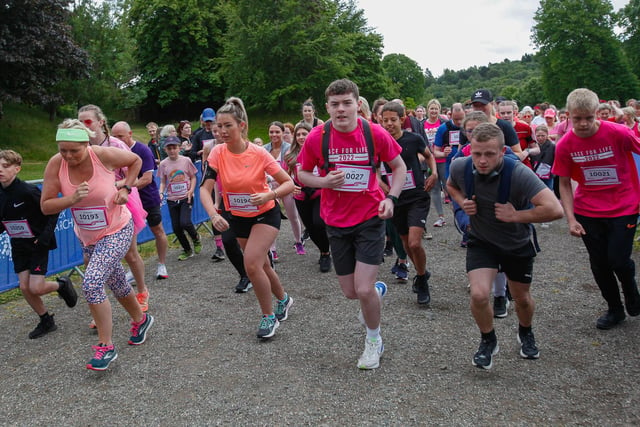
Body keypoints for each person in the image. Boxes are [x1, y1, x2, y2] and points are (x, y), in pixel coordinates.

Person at [298, 79, 407, 370]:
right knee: (350, 292)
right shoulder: (317, 137)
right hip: (335, 222)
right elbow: (302, 174)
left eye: (347, 103)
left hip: (370, 218)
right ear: (327, 107)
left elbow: (399, 167)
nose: (341, 109)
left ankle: (374, 340)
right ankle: (375, 291)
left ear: (358, 104)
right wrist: (323, 182)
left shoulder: (374, 133)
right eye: (335, 104)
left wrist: (392, 198)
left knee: (362, 288)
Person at [447, 122, 564, 370]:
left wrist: (516, 216)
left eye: (489, 154)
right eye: (477, 153)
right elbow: (450, 185)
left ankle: (526, 331)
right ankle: (488, 340)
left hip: (516, 243)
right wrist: (462, 202)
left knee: (521, 299)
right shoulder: (461, 166)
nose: (482, 160)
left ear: (502, 152)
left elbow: (555, 209)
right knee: (479, 294)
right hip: (482, 241)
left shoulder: (519, 173)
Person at [41, 120, 153, 371]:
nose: (68, 156)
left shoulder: (102, 155)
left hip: (117, 228)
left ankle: (106, 346)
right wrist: (70, 199)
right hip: (89, 235)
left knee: (91, 282)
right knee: (116, 282)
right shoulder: (55, 164)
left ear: (86, 144)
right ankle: (141, 319)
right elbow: (46, 205)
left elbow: (135, 160)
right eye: (63, 150)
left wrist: (125, 186)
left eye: (74, 150)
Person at [205, 97, 296, 339]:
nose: (222, 132)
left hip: (266, 214)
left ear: (242, 126)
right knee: (262, 265)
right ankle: (284, 299)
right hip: (238, 217)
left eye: (228, 126)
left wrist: (270, 193)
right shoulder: (217, 153)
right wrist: (214, 214)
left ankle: (268, 317)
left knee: (252, 264)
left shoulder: (259, 154)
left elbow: (289, 183)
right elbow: (204, 189)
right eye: (219, 127)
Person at [552, 88, 640, 330]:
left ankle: (632, 293)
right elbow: (564, 183)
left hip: (624, 205)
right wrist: (570, 219)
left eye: (588, 118)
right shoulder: (565, 145)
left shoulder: (618, 133)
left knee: (619, 259)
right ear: (568, 115)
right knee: (599, 263)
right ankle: (614, 309)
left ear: (597, 114)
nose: (582, 124)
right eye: (576, 118)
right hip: (588, 210)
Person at [78, 104, 149, 314]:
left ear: (101, 122)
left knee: (130, 253)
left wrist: (120, 186)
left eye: (88, 121)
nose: (84, 126)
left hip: (121, 201)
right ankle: (100, 303)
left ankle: (142, 292)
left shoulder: (115, 144)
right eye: (80, 122)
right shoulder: (78, 147)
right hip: (94, 207)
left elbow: (134, 171)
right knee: (91, 258)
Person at [0, 149, 78, 339]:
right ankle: (46, 320)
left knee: (35, 287)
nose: (0, 170)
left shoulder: (28, 191)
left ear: (17, 169)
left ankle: (61, 285)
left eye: (5, 166)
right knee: (25, 287)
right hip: (18, 244)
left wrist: (43, 237)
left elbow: (53, 210)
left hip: (37, 242)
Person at [380, 101, 438, 304]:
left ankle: (422, 279)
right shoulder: (380, 143)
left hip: (417, 197)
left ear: (402, 119)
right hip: (396, 201)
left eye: (393, 120)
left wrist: (434, 173)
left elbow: (429, 157)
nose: (389, 124)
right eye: (385, 120)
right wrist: (383, 187)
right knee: (405, 244)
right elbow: (373, 170)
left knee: (414, 242)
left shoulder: (413, 139)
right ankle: (422, 271)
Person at [111, 121, 169, 281]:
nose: (117, 140)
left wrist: (124, 185)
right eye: (114, 136)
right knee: (129, 236)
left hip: (147, 197)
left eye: (120, 136)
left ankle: (161, 263)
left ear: (130, 134)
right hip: (125, 200)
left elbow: (147, 178)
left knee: (157, 230)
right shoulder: (111, 151)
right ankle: (133, 269)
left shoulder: (142, 150)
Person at [284, 122, 332, 272]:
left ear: (311, 134)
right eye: (298, 134)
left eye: (304, 133)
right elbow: (285, 177)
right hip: (301, 196)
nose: (301, 137)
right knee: (310, 229)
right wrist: (292, 186)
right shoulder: (291, 156)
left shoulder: (320, 151)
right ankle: (323, 250)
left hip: (319, 193)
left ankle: (326, 253)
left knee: (318, 223)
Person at [264, 121, 305, 259]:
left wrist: (292, 184)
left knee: (293, 216)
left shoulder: (288, 149)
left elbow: (291, 171)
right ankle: (273, 249)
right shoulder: (264, 150)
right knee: (272, 219)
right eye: (271, 132)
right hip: (270, 189)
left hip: (286, 186)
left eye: (277, 132)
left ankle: (298, 241)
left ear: (282, 133)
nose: (274, 134)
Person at [157, 136, 201, 261]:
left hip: (185, 197)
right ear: (165, 149)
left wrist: (191, 190)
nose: (172, 150)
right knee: (176, 227)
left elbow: (193, 177)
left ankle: (196, 238)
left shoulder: (186, 160)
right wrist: (161, 192)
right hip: (172, 199)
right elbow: (163, 182)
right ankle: (187, 250)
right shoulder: (164, 164)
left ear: (179, 148)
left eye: (174, 148)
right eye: (169, 148)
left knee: (185, 222)